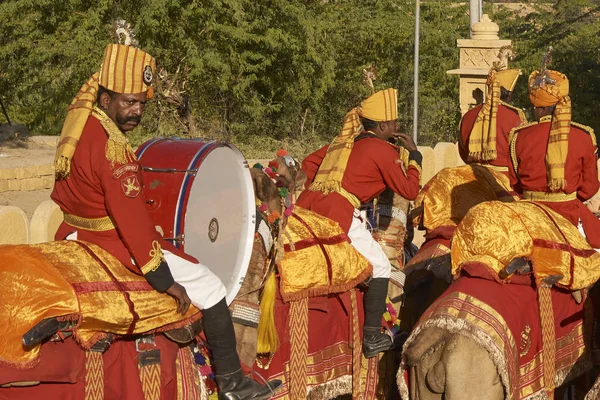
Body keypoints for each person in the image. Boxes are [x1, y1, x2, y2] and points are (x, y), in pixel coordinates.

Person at [50, 42, 280, 400]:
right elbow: (133, 225)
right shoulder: (114, 148)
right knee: (210, 285)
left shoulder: (81, 124)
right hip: (111, 244)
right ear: (106, 97)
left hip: (73, 234)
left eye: (142, 103)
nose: (137, 111)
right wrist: (163, 279)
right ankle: (233, 385)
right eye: (129, 102)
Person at [297, 88, 422, 358]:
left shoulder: (342, 143)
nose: (397, 127)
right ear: (382, 125)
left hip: (307, 208)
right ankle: (371, 336)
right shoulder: (383, 149)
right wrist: (414, 156)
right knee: (380, 264)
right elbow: (409, 190)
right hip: (339, 212)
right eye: (395, 123)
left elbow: (308, 164)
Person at [508, 67, 600, 247]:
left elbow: (515, 184)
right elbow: (589, 189)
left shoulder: (520, 136)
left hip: (529, 218)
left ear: (539, 109)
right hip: (570, 219)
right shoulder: (583, 136)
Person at [459, 67, 527, 170]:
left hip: (472, 175)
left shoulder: (469, 115)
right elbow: (521, 153)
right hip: (504, 179)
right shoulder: (515, 117)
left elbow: (463, 151)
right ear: (509, 95)